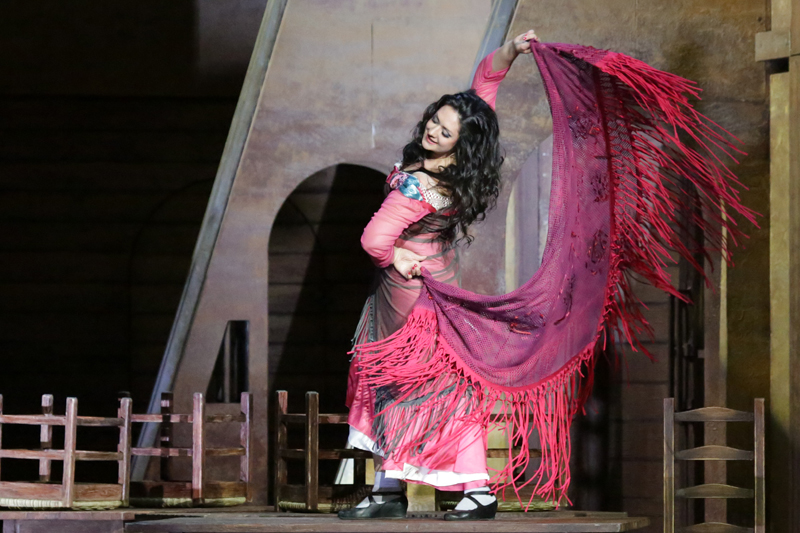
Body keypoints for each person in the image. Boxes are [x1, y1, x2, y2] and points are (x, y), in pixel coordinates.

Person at [339, 30, 538, 522]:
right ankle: (389, 489)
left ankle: (474, 490)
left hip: (408, 298)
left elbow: (372, 241)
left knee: (419, 389)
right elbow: (480, 99)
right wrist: (508, 54)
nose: (433, 129)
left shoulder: (418, 185)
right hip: (434, 288)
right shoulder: (456, 171)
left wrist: (395, 259)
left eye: (444, 131)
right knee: (412, 388)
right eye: (435, 119)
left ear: (459, 144)